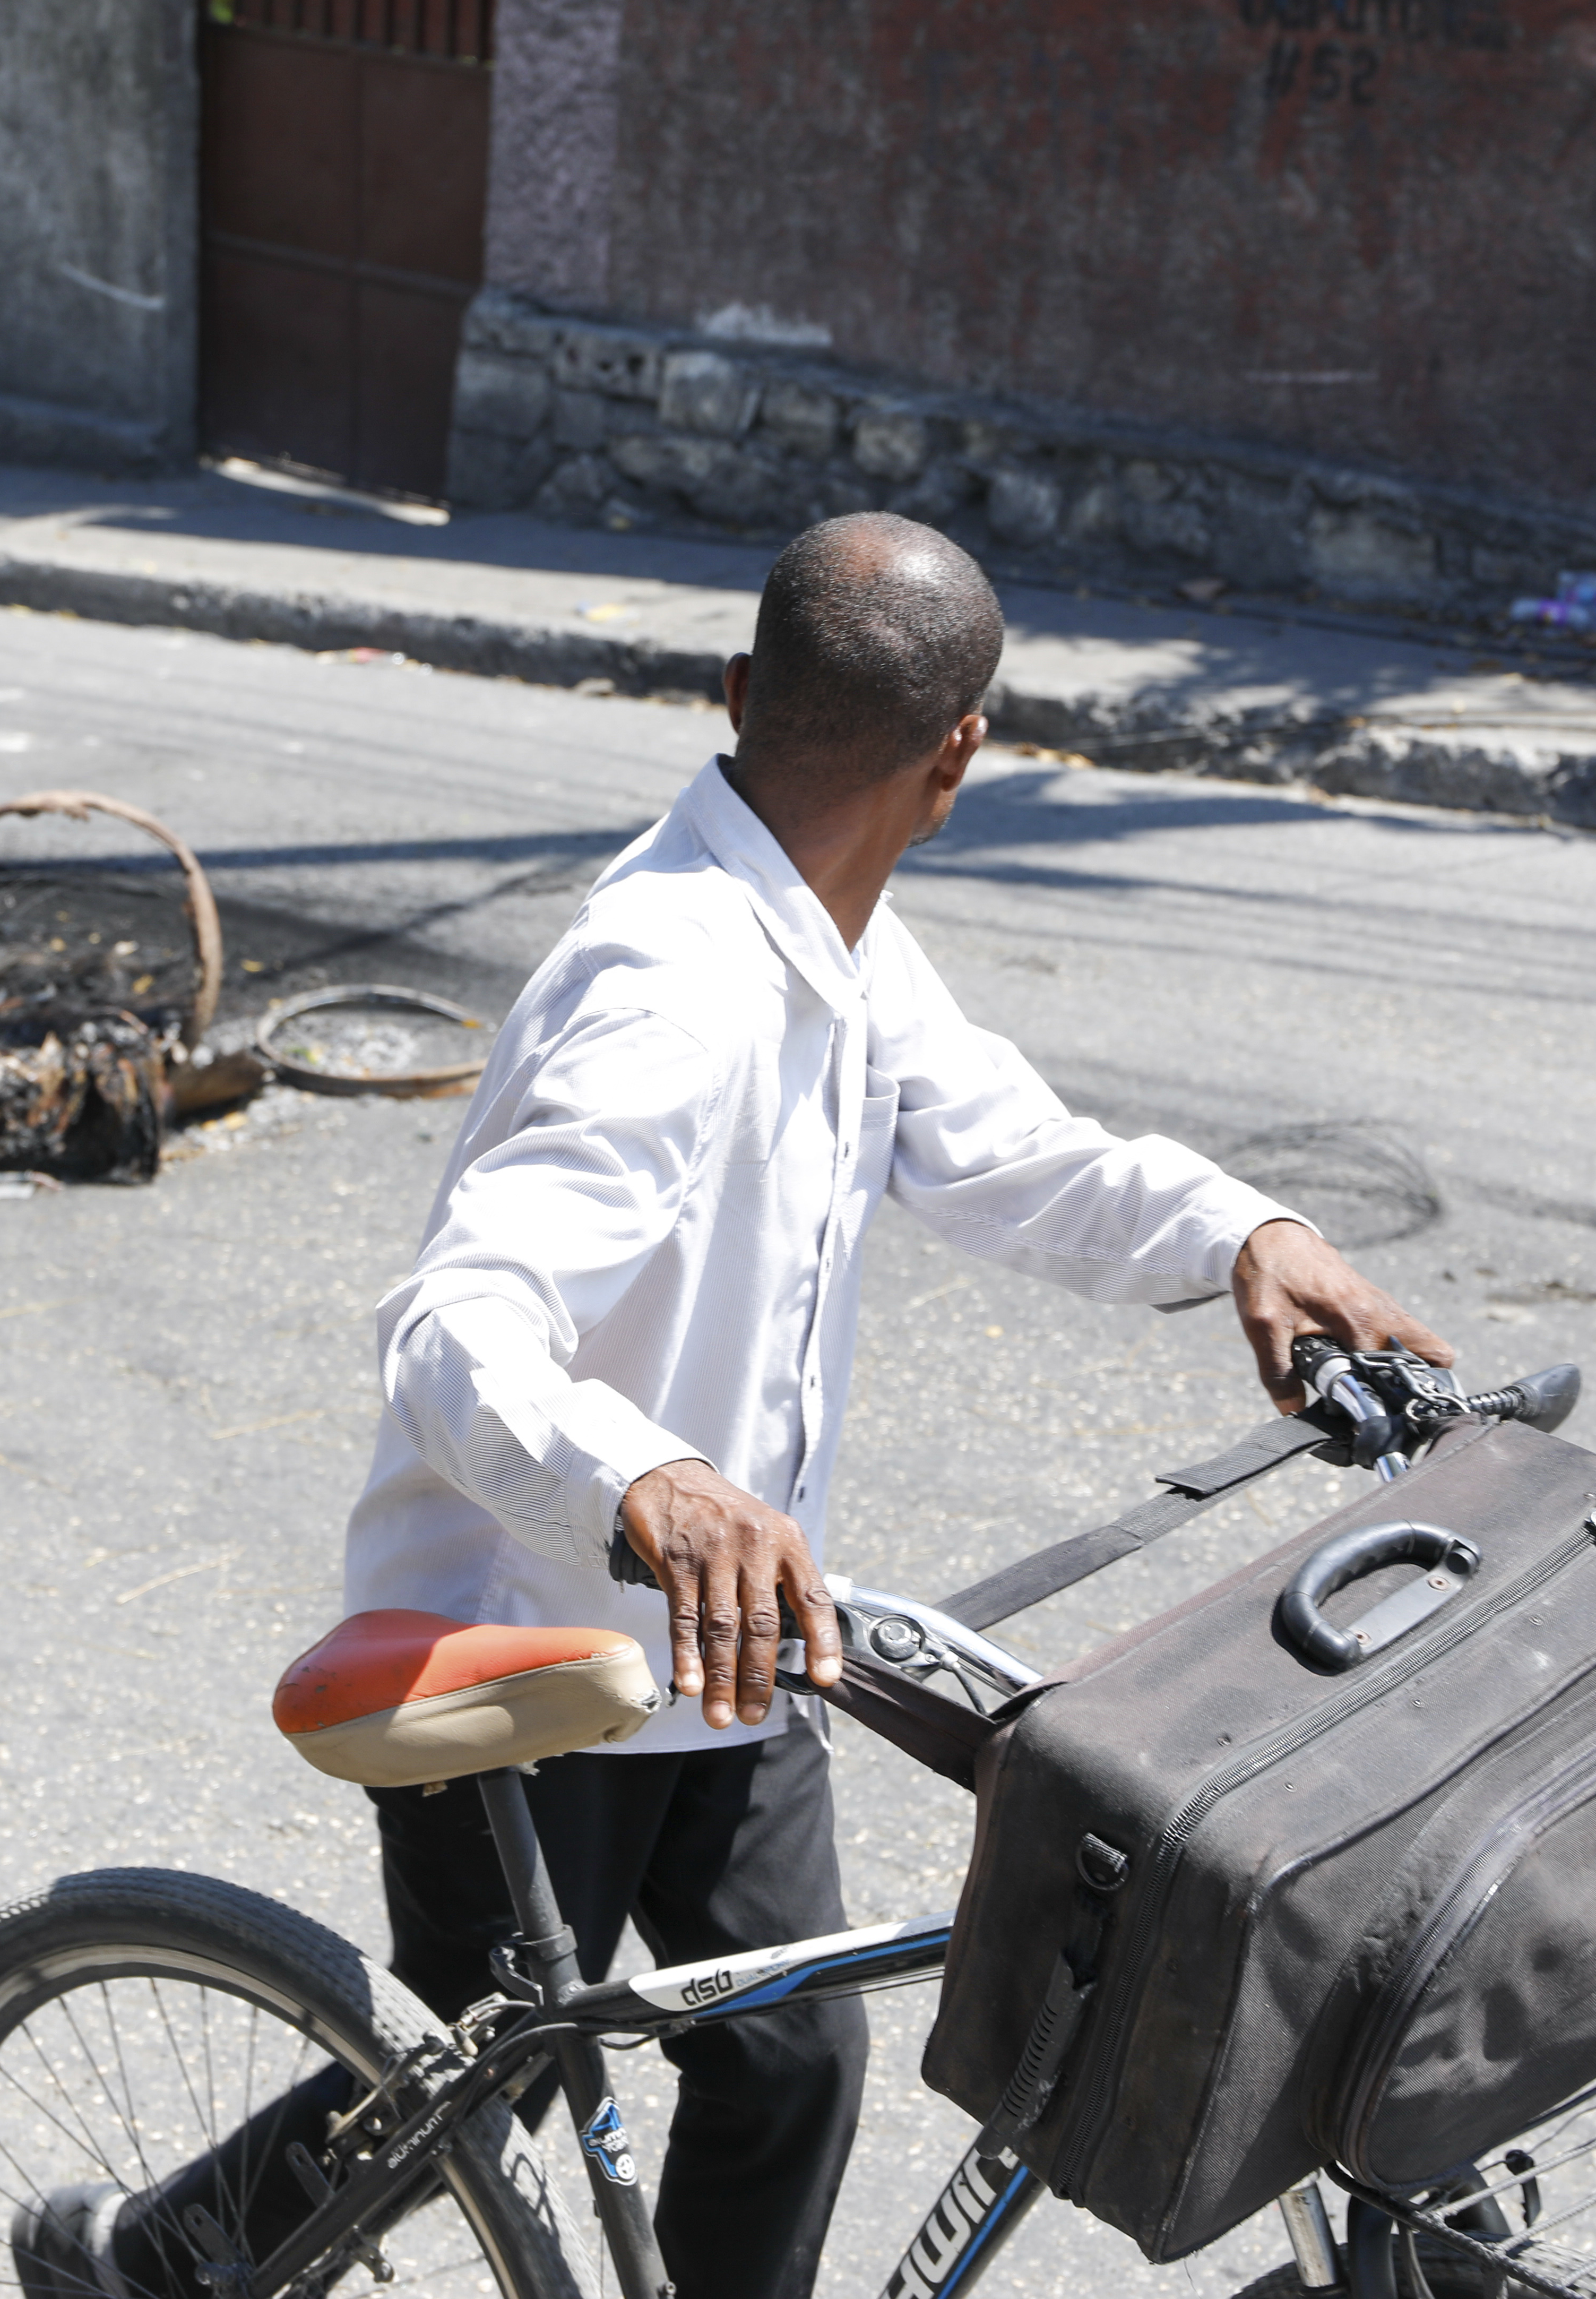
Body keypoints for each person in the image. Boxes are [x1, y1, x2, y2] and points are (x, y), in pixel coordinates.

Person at [347, 514, 1446, 2299]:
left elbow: (1017, 1158)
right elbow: (457, 1322)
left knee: (788, 2061)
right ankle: (151, 2254)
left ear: (736, 693)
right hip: (530, 1653)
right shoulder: (669, 989)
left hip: (730, 1641)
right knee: (474, 2105)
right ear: (960, 759)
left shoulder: (837, 946)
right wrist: (649, 1480)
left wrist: (1244, 1230)